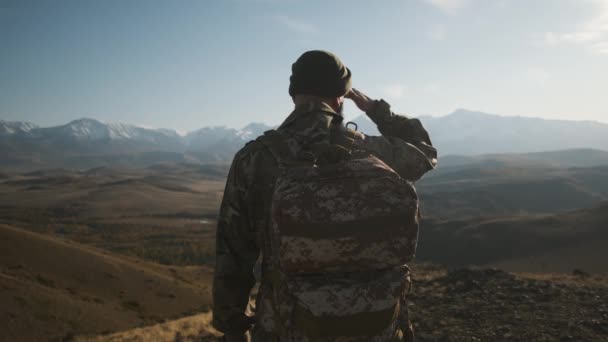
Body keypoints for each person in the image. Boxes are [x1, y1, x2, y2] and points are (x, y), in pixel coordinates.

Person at [213, 50, 437, 341]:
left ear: (294, 94)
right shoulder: (374, 151)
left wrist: (231, 325)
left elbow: (233, 253)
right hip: (375, 325)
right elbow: (425, 154)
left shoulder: (254, 159)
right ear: (340, 96)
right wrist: (377, 110)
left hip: (285, 326)